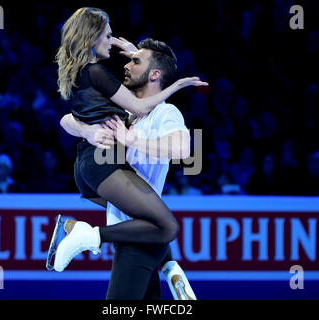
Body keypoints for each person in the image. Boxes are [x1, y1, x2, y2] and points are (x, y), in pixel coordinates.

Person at [52, 7, 207, 278]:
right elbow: (67, 119)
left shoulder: (163, 112)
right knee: (167, 227)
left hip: (94, 176)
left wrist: (131, 139)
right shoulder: (124, 105)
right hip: (103, 169)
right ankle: (87, 235)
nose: (125, 61)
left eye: (134, 61)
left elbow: (184, 149)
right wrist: (90, 131)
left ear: (154, 73)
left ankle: (167, 264)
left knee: (154, 228)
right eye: (108, 37)